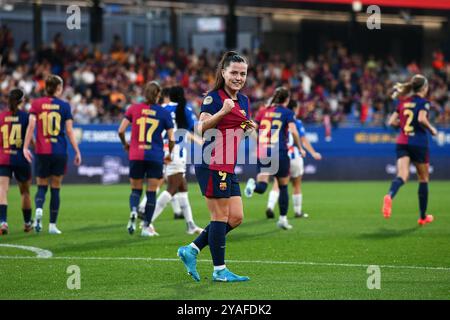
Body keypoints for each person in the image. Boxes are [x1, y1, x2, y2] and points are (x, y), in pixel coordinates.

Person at [177, 51, 256, 282]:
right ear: (223, 73)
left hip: (227, 165)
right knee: (220, 217)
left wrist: (247, 129)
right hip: (211, 163)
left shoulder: (244, 100)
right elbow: (200, 128)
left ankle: (191, 249)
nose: (238, 77)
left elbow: (239, 130)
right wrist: (223, 111)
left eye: (243, 74)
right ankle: (219, 270)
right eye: (234, 73)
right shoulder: (214, 97)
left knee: (236, 218)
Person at [137, 86, 203, 235]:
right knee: (172, 188)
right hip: (176, 153)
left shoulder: (160, 109)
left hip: (162, 150)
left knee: (182, 188)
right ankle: (147, 223)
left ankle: (190, 225)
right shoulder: (185, 109)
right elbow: (196, 127)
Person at [23, 75, 82, 234]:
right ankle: (52, 225)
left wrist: (25, 147)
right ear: (59, 88)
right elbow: (69, 131)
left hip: (42, 151)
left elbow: (31, 125)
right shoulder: (64, 106)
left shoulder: (36, 104)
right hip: (59, 151)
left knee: (41, 186)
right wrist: (77, 150)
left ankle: (39, 210)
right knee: (55, 187)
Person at [118, 81, 175, 237]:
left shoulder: (133, 108)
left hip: (136, 155)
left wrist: (126, 144)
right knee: (151, 193)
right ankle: (145, 227)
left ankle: (134, 211)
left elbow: (121, 130)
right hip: (155, 156)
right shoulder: (164, 113)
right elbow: (171, 139)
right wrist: (170, 154)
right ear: (158, 95)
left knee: (135, 190)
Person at [244, 87, 305, 230]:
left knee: (263, 186)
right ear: (287, 99)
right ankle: (283, 219)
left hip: (264, 151)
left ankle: (253, 186)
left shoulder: (263, 111)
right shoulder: (288, 113)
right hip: (280, 152)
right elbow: (294, 131)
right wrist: (300, 147)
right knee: (283, 186)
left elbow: (251, 126)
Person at [382, 74, 437, 225]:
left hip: (402, 141)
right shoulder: (424, 102)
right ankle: (422, 216)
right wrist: (432, 129)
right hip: (418, 143)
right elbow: (421, 119)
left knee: (402, 175)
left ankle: (389, 195)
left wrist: (404, 125)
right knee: (423, 178)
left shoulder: (402, 102)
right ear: (424, 88)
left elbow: (391, 121)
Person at [265, 99, 322, 219]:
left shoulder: (276, 120)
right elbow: (303, 139)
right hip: (294, 156)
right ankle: (297, 211)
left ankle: (270, 206)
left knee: (277, 183)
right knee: (296, 185)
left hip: (280, 155)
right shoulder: (296, 122)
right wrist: (313, 152)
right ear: (294, 108)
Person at [0, 89, 33, 234]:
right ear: (22, 101)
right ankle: (27, 223)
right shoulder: (26, 117)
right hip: (21, 158)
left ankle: (3, 222)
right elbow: (31, 141)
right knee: (25, 192)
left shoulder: (1, 117)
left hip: (3, 156)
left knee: (2, 190)